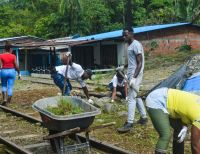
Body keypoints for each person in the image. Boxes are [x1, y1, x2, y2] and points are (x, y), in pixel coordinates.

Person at [146, 87, 200, 154]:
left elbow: (186, 110)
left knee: (180, 130)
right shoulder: (199, 118)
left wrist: (184, 125)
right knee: (165, 135)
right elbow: (195, 145)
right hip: (157, 100)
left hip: (170, 101)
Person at [117, 27, 147, 133]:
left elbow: (140, 63)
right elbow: (132, 61)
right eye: (123, 35)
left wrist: (134, 78)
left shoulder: (136, 44)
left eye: (125, 35)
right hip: (131, 74)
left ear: (131, 34)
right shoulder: (129, 45)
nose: (123, 37)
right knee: (136, 95)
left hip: (136, 75)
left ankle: (129, 123)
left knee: (131, 98)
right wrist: (123, 67)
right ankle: (143, 118)